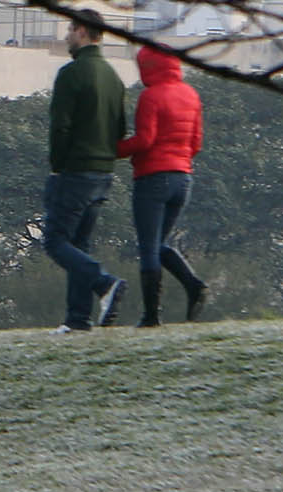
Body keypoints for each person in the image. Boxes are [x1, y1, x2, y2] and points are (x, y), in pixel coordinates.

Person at [39, 21, 131, 332]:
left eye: (69, 31)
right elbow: (120, 131)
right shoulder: (113, 77)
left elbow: (60, 126)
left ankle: (104, 283)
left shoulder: (71, 73)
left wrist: (57, 165)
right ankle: (78, 319)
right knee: (80, 243)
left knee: (54, 241)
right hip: (103, 172)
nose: (66, 37)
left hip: (74, 170)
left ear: (81, 32)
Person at [118, 43, 210, 324]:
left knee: (148, 247)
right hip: (183, 180)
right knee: (158, 244)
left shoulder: (151, 96)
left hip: (152, 178)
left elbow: (145, 140)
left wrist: (116, 149)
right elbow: (196, 143)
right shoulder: (191, 95)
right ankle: (193, 285)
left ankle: (151, 316)